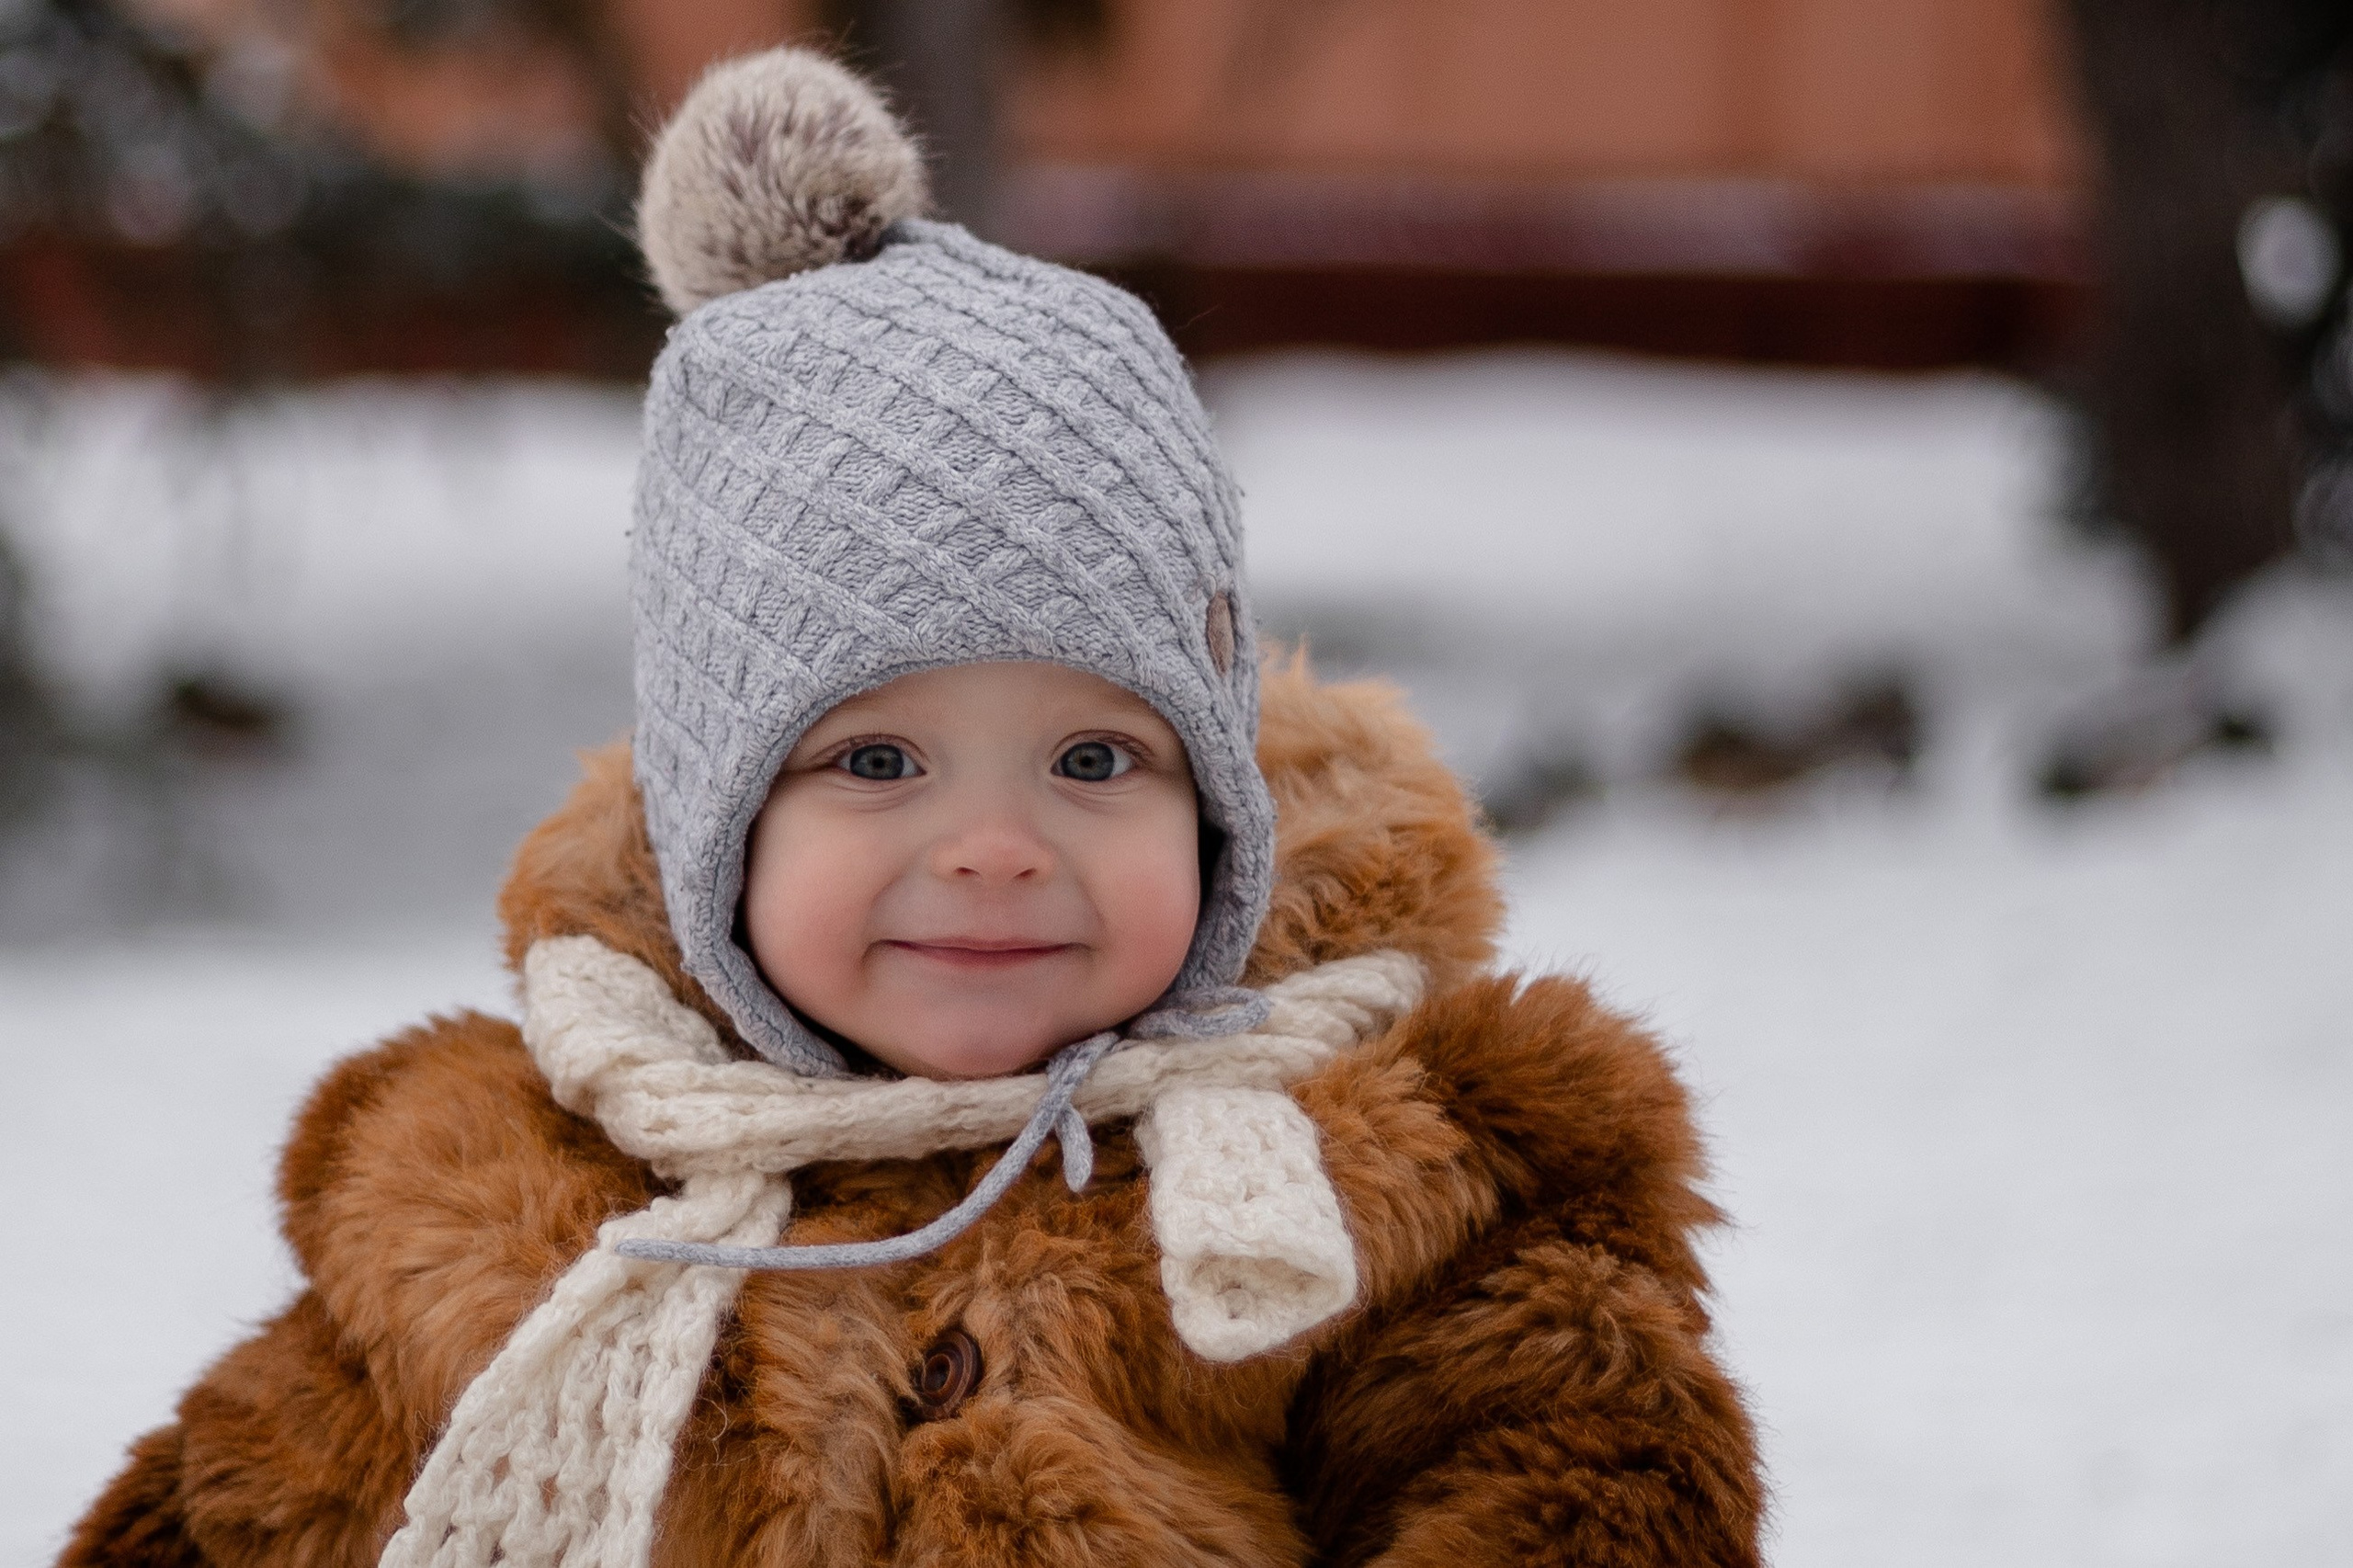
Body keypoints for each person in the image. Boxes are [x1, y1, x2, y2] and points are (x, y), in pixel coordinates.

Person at [58, 49, 1761, 1568]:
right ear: (721, 820)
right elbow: (242, 1505)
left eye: (1098, 761)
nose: (998, 844)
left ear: (1218, 808)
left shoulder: (1396, 1182)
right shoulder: (504, 1213)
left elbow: (1587, 1464)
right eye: (877, 763)